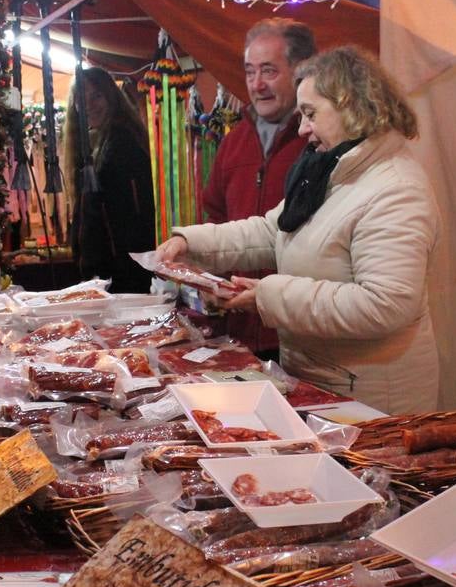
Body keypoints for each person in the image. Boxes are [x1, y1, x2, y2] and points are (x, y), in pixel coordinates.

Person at [157, 46, 440, 415]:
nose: (303, 128)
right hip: (324, 377)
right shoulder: (331, 170)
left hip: (373, 397)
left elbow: (384, 305)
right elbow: (271, 231)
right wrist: (190, 242)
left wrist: (268, 295)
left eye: (310, 114)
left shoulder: (395, 188)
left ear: (351, 107)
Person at [200, 19, 315, 358]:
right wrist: (209, 281)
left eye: (269, 71)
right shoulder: (234, 143)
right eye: (250, 72)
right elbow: (217, 217)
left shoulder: (320, 144)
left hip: (301, 335)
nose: (257, 84)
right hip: (240, 330)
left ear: (300, 71)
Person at [63, 67, 156, 293]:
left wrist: (99, 265)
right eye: (81, 100)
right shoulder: (102, 143)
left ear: (110, 97)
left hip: (123, 274)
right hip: (118, 271)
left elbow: (127, 217)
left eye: (96, 96)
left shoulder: (121, 144)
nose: (89, 105)